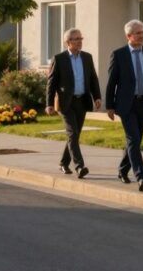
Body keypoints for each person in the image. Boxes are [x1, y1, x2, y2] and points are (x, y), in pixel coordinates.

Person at [105, 19, 143, 192]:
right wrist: (109, 105)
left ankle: (123, 169)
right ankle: (141, 176)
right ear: (128, 36)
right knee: (133, 139)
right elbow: (111, 82)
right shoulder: (119, 54)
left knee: (135, 141)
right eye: (138, 33)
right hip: (126, 105)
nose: (142, 36)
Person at [45, 28, 101, 179]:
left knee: (74, 135)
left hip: (82, 101)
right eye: (76, 39)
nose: (79, 41)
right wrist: (49, 103)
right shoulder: (59, 58)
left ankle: (63, 163)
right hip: (66, 102)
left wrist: (97, 97)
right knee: (72, 133)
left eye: (80, 38)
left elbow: (93, 79)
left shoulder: (87, 57)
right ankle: (79, 166)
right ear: (68, 42)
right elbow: (51, 82)